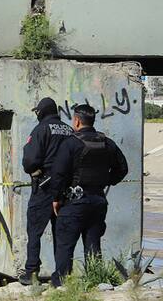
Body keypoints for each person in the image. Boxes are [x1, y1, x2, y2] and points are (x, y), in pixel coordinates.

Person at [49, 103, 129, 286]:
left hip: (74, 203)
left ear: (77, 121)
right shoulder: (107, 142)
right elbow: (122, 168)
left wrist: (56, 198)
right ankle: (95, 282)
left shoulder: (70, 143)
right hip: (98, 201)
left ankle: (61, 285)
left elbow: (58, 174)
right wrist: (106, 181)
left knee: (65, 246)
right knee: (93, 246)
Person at [18, 97, 73, 285]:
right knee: (62, 233)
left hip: (44, 188)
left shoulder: (40, 129)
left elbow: (30, 160)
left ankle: (32, 272)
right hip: (66, 189)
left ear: (42, 112)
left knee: (34, 231)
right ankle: (63, 275)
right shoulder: (69, 130)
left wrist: (34, 171)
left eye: (37, 111)